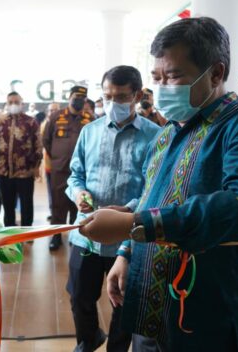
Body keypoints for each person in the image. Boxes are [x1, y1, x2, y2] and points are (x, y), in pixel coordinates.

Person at [79, 17, 238, 351]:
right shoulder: (166, 135)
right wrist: (125, 251)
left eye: (174, 76)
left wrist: (133, 224)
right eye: (156, 78)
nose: (162, 87)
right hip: (150, 304)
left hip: (207, 316)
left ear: (216, 74)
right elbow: (149, 199)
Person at [66, 65, 160, 352]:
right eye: (107, 96)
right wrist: (78, 192)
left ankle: (116, 349)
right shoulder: (89, 131)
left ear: (137, 95)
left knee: (122, 301)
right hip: (86, 232)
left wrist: (128, 210)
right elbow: (75, 174)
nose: (112, 104)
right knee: (79, 296)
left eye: (120, 97)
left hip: (127, 237)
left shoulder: (155, 136)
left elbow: (153, 187)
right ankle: (88, 338)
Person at [43, 86, 95, 251]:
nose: (79, 100)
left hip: (82, 172)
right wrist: (58, 158)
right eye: (76, 97)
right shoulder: (56, 116)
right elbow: (46, 140)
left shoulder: (90, 118)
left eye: (83, 98)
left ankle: (76, 235)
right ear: (69, 97)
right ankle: (56, 236)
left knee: (78, 204)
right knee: (58, 205)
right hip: (60, 170)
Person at [0, 91, 42, 227]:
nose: (13, 105)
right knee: (8, 205)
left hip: (26, 171)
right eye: (10, 102)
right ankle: (10, 233)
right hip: (4, 172)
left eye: (16, 102)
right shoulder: (0, 122)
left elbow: (38, 145)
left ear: (22, 104)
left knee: (26, 203)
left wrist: (36, 166)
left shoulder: (31, 122)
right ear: (6, 104)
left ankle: (27, 231)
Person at [42, 102, 61, 221]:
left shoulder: (64, 124)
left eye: (56, 110)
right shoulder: (44, 125)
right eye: (51, 110)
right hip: (50, 164)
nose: (53, 112)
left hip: (64, 166)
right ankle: (53, 212)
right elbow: (44, 143)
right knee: (52, 192)